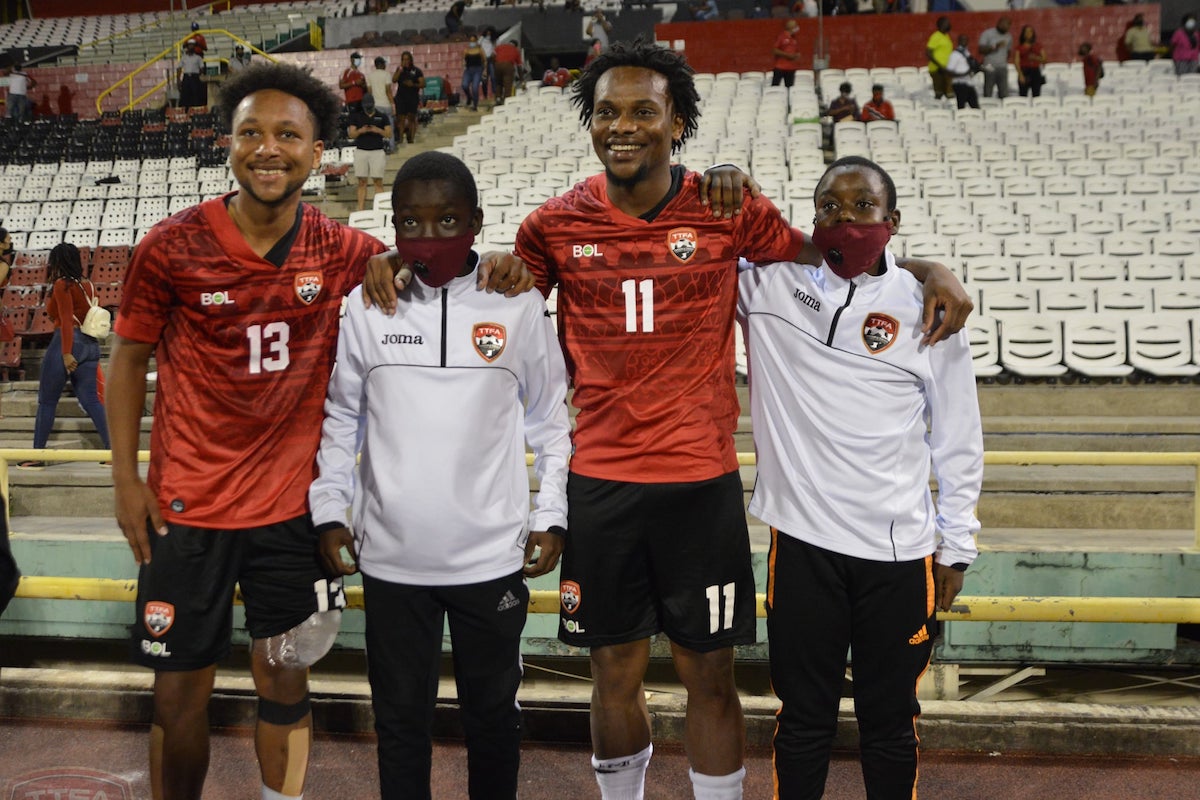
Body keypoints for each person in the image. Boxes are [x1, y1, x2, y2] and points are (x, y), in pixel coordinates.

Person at [511, 39, 972, 800]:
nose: (622, 127)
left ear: (678, 123)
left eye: (643, 112)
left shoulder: (729, 209)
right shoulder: (550, 227)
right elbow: (476, 302)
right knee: (612, 671)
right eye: (606, 113)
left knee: (710, 673)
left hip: (701, 484)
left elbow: (839, 261)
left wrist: (927, 268)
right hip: (602, 483)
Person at [108, 61, 531, 800]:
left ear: (316, 150)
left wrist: (502, 265)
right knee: (177, 698)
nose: (268, 149)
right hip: (187, 510)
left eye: (287, 135)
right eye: (250, 134)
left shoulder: (344, 252)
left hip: (290, 516)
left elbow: (433, 263)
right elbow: (127, 356)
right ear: (228, 144)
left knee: (286, 677)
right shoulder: (169, 245)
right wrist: (124, 478)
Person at [309, 151, 571, 800]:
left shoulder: (517, 302)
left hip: (491, 560)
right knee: (400, 726)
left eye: (447, 220)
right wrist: (330, 509)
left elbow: (550, 424)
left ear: (478, 222)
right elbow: (342, 420)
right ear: (392, 227)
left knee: (493, 723)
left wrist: (552, 514)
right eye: (411, 224)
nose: (430, 239)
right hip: (393, 562)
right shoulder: (367, 306)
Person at [737, 155, 982, 800]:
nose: (843, 219)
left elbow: (958, 440)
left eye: (861, 207)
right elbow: (701, 247)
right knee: (802, 719)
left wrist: (957, 545)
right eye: (828, 208)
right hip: (803, 545)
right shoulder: (767, 288)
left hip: (898, 558)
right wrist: (733, 174)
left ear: (891, 221)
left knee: (891, 722)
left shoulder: (931, 312)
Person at [17, 242, 110, 470]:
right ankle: (113, 452)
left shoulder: (62, 285)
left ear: (58, 262)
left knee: (47, 401)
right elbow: (54, 310)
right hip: (90, 344)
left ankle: (37, 456)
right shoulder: (88, 284)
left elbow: (65, 319)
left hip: (67, 343)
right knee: (91, 401)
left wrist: (67, 353)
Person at [349, 93, 390, 211]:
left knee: (378, 181)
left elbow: (388, 133)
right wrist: (361, 131)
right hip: (361, 151)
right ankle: (360, 209)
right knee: (362, 181)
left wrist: (377, 130)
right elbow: (352, 134)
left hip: (377, 151)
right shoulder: (356, 117)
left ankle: (381, 209)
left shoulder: (382, 116)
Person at [392, 51, 424, 145]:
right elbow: (394, 80)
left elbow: (423, 84)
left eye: (407, 59)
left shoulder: (416, 71)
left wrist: (413, 84)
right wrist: (400, 69)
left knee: (412, 118)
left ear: (411, 60)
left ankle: (411, 139)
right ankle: (401, 139)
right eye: (403, 59)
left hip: (412, 97)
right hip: (401, 98)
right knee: (400, 119)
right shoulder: (399, 70)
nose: (405, 61)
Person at [366, 56, 396, 151]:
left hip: (376, 106)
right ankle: (391, 147)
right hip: (386, 105)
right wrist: (393, 104)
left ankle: (378, 146)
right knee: (389, 127)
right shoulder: (386, 75)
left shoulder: (370, 76)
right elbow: (388, 91)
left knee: (376, 127)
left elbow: (369, 93)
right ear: (382, 64)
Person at [978, 16, 1012, 99]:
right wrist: (995, 46)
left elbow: (1008, 51)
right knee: (988, 92)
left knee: (1004, 94)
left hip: (1002, 67)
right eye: (1005, 24)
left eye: (1008, 25)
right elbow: (981, 50)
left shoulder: (1009, 36)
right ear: (999, 23)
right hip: (990, 66)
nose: (1007, 27)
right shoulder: (988, 33)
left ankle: (1003, 111)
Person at [947, 34, 980, 110]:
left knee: (975, 106)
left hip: (969, 83)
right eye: (962, 40)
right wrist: (963, 74)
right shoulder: (954, 55)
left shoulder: (967, 53)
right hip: (959, 84)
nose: (964, 42)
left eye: (966, 40)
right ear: (958, 41)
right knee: (961, 106)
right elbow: (949, 72)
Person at [926, 16, 954, 100]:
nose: (949, 25)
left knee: (949, 92)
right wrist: (939, 65)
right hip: (937, 69)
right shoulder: (936, 36)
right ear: (941, 24)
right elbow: (928, 53)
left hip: (946, 68)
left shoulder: (946, 36)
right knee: (939, 93)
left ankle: (948, 110)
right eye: (947, 23)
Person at [1015, 24, 1046, 98]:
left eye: (1030, 32)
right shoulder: (1019, 47)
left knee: (1036, 95)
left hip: (1035, 71)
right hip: (1024, 71)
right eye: (1026, 32)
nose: (1028, 34)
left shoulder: (1038, 46)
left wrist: (1036, 58)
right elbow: (1016, 62)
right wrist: (1020, 74)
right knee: (1023, 95)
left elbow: (1044, 59)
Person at [771, 18, 802, 88]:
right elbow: (775, 50)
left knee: (790, 88)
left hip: (791, 67)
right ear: (791, 27)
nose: (797, 28)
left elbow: (795, 51)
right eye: (795, 26)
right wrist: (787, 55)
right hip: (780, 67)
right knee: (775, 87)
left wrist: (796, 55)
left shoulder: (794, 39)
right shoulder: (781, 37)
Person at [493, 37, 522, 104]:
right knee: (507, 84)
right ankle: (506, 100)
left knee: (498, 83)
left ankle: (498, 99)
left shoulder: (500, 47)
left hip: (497, 65)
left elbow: (492, 56)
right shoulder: (516, 50)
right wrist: (521, 79)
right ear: (515, 46)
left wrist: (494, 64)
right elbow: (519, 66)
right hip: (508, 66)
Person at [177, 40, 206, 108]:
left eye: (193, 45)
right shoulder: (184, 57)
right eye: (190, 45)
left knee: (195, 94)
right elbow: (179, 68)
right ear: (187, 47)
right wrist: (178, 79)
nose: (191, 47)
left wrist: (200, 76)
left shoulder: (198, 58)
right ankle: (186, 110)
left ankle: (195, 110)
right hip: (186, 77)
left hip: (195, 77)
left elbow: (202, 68)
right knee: (185, 94)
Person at [462, 35, 485, 112]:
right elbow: (463, 60)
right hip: (468, 70)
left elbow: (484, 60)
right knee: (464, 85)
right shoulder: (466, 50)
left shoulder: (480, 50)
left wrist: (484, 70)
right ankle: (469, 97)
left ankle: (475, 105)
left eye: (473, 41)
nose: (472, 43)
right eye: (471, 41)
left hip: (477, 70)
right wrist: (463, 66)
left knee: (475, 88)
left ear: (476, 41)